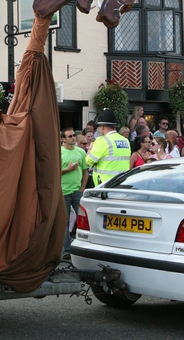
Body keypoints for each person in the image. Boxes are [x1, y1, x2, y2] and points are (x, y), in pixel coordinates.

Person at [60, 127, 87, 260]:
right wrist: (68, 169)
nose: (73, 138)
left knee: (83, 219)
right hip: (64, 191)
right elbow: (54, 172)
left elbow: (85, 171)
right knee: (64, 221)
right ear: (63, 139)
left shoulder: (81, 152)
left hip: (77, 191)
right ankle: (67, 250)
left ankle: (82, 247)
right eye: (70, 136)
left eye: (73, 135)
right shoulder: (59, 152)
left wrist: (82, 187)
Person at [86, 108, 131, 186]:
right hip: (122, 183)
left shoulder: (102, 140)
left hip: (105, 185)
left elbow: (88, 162)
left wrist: (90, 148)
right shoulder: (125, 141)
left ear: (102, 126)